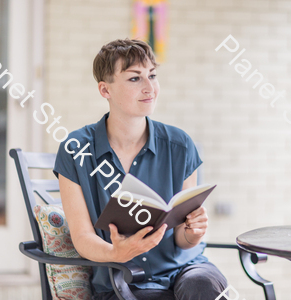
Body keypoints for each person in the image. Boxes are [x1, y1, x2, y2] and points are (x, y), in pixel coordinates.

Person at [53, 38, 228, 300]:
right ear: (105, 90)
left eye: (152, 76)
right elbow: (82, 236)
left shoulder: (180, 146)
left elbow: (181, 239)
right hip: (120, 277)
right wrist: (116, 253)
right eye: (135, 78)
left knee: (203, 285)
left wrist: (192, 233)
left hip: (185, 270)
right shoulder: (76, 149)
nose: (150, 88)